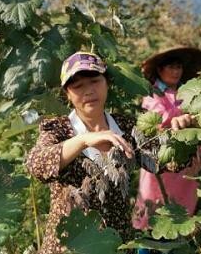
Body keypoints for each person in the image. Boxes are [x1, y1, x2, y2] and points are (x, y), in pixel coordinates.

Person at [27, 51, 138, 254]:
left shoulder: (126, 127)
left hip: (117, 241)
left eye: (95, 81)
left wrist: (179, 127)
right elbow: (36, 165)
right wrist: (83, 140)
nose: (88, 91)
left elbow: (160, 159)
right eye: (78, 86)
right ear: (67, 95)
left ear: (107, 83)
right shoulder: (58, 128)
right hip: (69, 244)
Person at [132, 46, 201, 231]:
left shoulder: (186, 93)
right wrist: (179, 119)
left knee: (182, 218)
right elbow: (156, 119)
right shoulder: (152, 93)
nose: (176, 72)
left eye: (179, 67)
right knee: (152, 213)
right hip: (162, 161)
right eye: (171, 67)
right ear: (160, 69)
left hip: (187, 164)